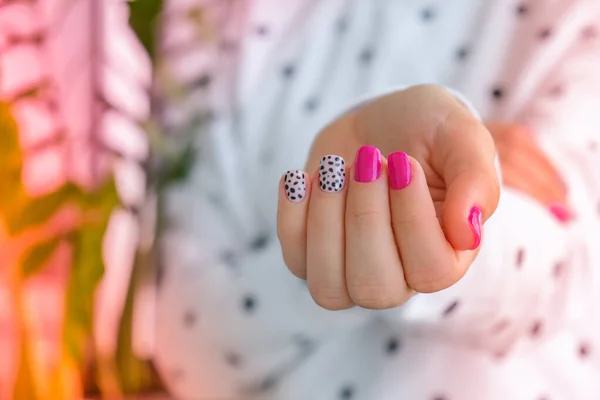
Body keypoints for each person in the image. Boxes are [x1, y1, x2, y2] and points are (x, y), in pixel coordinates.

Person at [152, 0, 600, 399]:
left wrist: (455, 203)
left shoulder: (566, 15)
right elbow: (188, 347)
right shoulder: (230, 28)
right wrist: (330, 254)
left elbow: (559, 268)